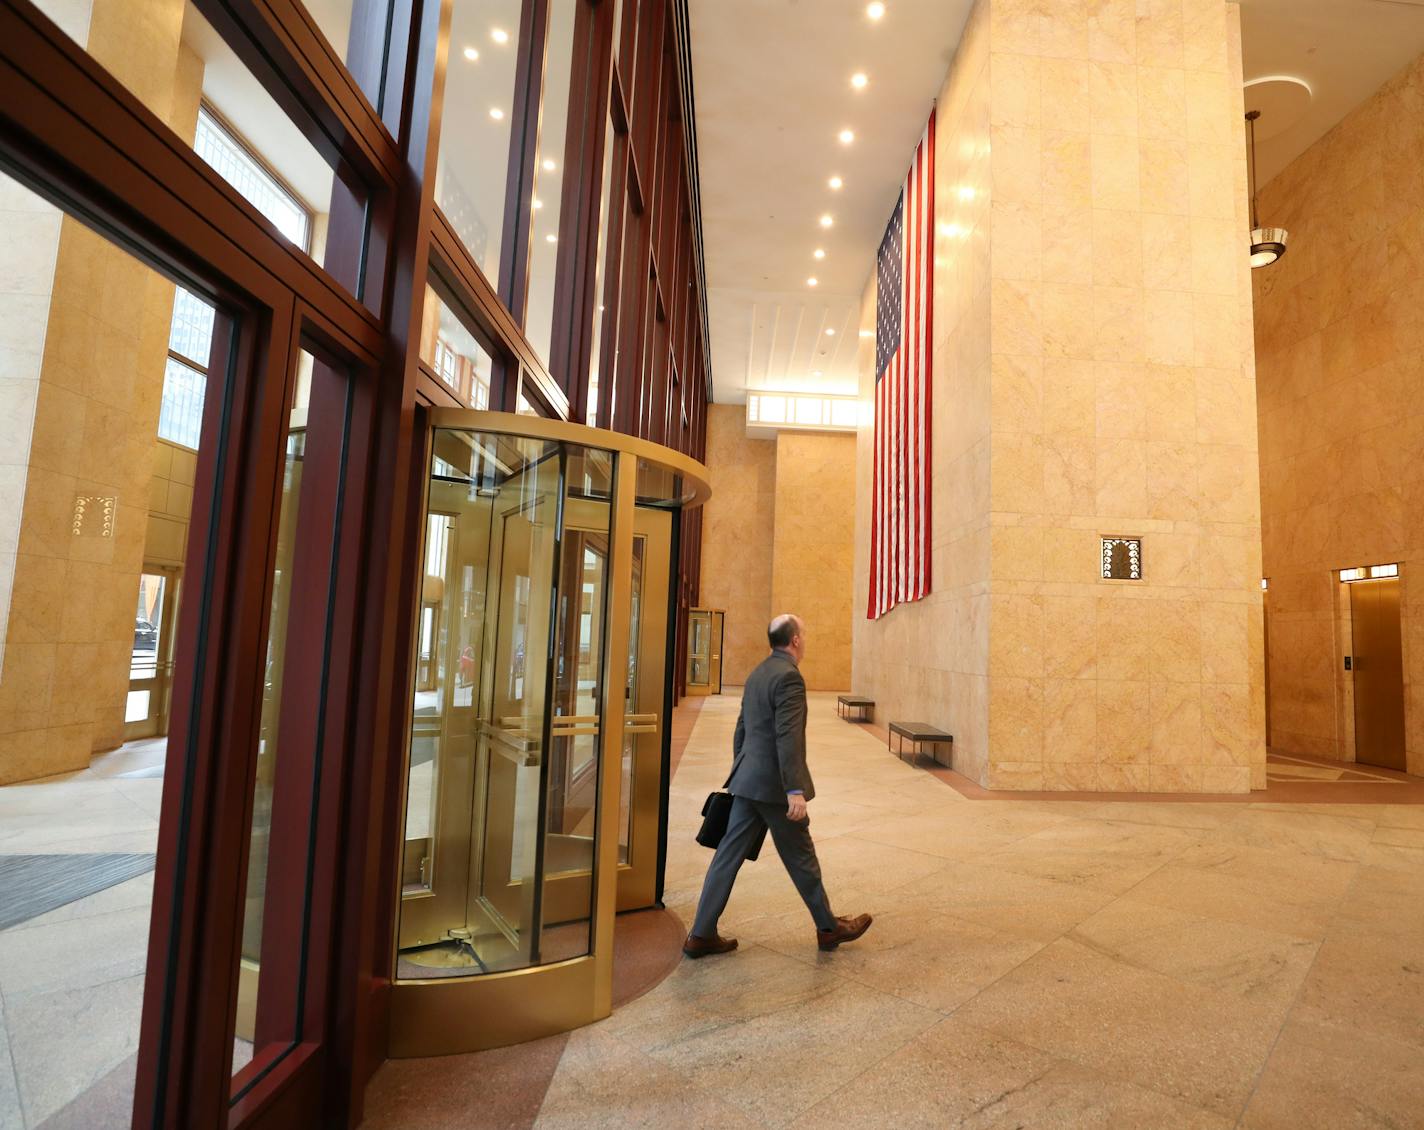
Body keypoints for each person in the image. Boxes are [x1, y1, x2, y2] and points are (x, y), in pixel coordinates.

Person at [683, 613, 872, 958]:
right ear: (795, 640)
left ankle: (700, 934)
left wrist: (742, 771)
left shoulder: (757, 673)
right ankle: (829, 928)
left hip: (748, 782)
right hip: (773, 789)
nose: (806, 639)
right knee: (801, 857)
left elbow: (741, 729)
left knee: (727, 857)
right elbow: (787, 737)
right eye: (805, 634)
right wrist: (794, 790)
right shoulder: (789, 678)